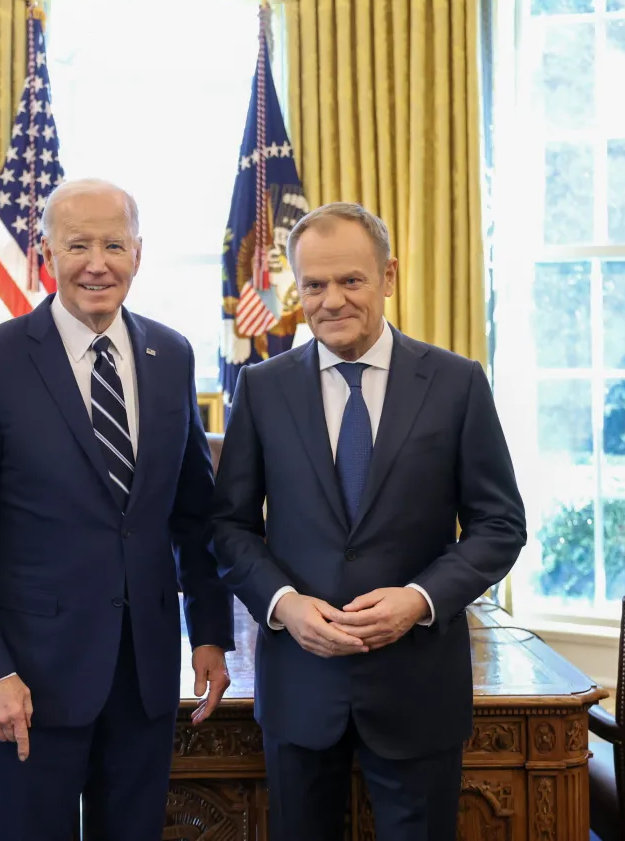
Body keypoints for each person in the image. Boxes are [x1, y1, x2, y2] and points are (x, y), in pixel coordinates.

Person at [210, 202, 526, 841]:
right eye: (314, 285)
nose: (331, 300)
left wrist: (420, 598)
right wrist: (284, 604)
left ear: (389, 276)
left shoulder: (457, 383)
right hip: (300, 687)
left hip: (418, 687)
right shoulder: (262, 388)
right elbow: (229, 527)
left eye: (350, 280)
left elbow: (499, 525)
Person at [0, 178, 235, 841]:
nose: (98, 263)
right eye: (77, 246)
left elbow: (193, 516)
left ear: (138, 254)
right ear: (46, 254)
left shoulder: (171, 354)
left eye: (114, 245)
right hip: (30, 679)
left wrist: (210, 633)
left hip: (146, 672)